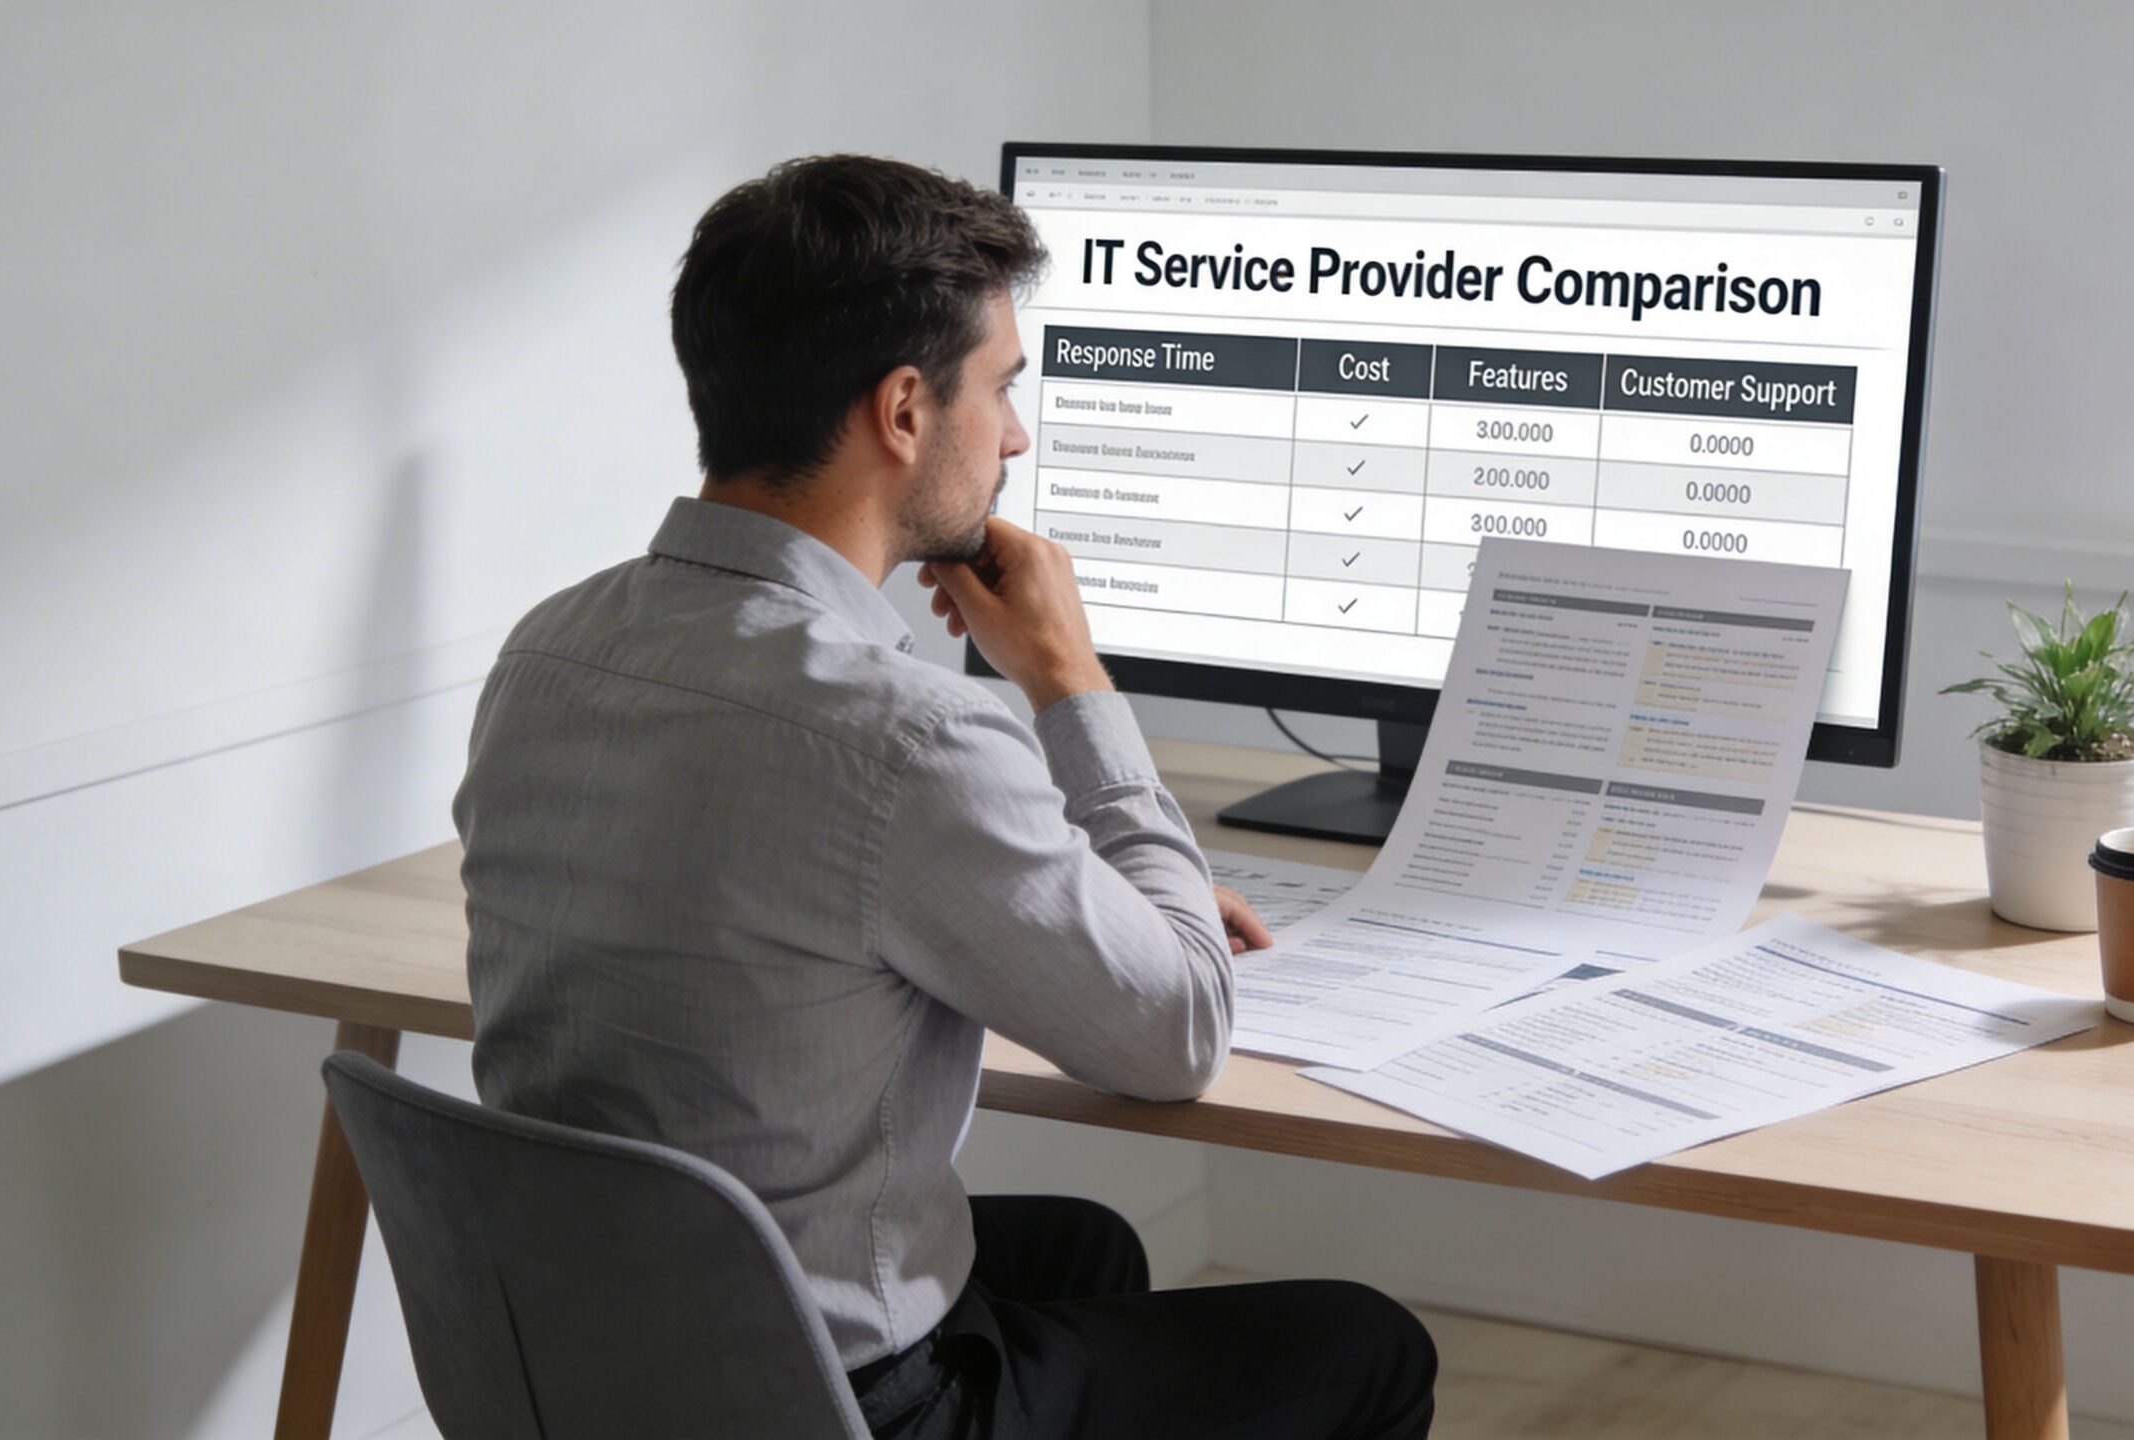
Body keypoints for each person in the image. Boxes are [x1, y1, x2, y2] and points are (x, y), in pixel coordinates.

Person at [453, 154, 1437, 1439]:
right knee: (1367, 1346)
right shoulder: (902, 734)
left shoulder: (547, 648)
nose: (1016, 436)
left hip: (593, 1347)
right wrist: (1067, 675)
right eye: (1004, 389)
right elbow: (1180, 1029)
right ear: (904, 410)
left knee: (1081, 1252)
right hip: (822, 1402)